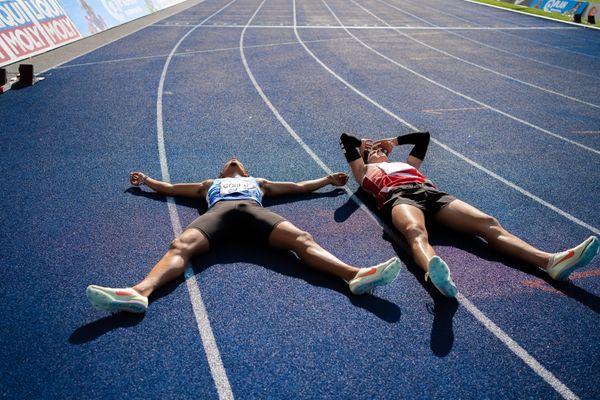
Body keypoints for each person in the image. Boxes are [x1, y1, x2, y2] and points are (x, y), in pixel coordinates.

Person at [86, 157, 401, 313]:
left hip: (254, 211)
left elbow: (298, 187)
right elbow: (169, 189)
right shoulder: (209, 185)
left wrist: (327, 180)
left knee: (302, 239)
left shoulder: (259, 183)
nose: (233, 159)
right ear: (222, 174)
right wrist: (146, 180)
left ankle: (354, 276)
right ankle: (140, 292)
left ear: (246, 172)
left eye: (237, 161)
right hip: (218, 214)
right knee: (180, 245)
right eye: (227, 163)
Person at [339, 131, 599, 297]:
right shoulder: (363, 174)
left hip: (432, 194)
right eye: (371, 151)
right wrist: (362, 144)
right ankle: (435, 272)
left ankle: (550, 261)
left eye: (380, 148)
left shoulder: (408, 165)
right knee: (415, 233)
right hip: (398, 198)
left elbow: (424, 137)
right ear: (362, 158)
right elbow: (345, 139)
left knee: (488, 223)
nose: (378, 150)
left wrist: (393, 141)